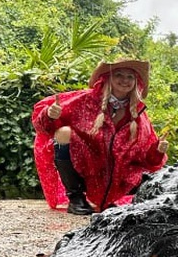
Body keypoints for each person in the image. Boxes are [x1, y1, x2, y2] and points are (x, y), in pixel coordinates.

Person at [32, 58, 169, 215]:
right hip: (85, 166)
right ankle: (76, 198)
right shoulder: (85, 99)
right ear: (108, 78)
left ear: (135, 82)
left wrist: (158, 151)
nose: (125, 80)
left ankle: (111, 199)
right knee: (63, 133)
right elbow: (43, 127)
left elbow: (147, 160)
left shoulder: (139, 115)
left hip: (117, 176)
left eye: (130, 76)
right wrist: (50, 114)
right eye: (119, 75)